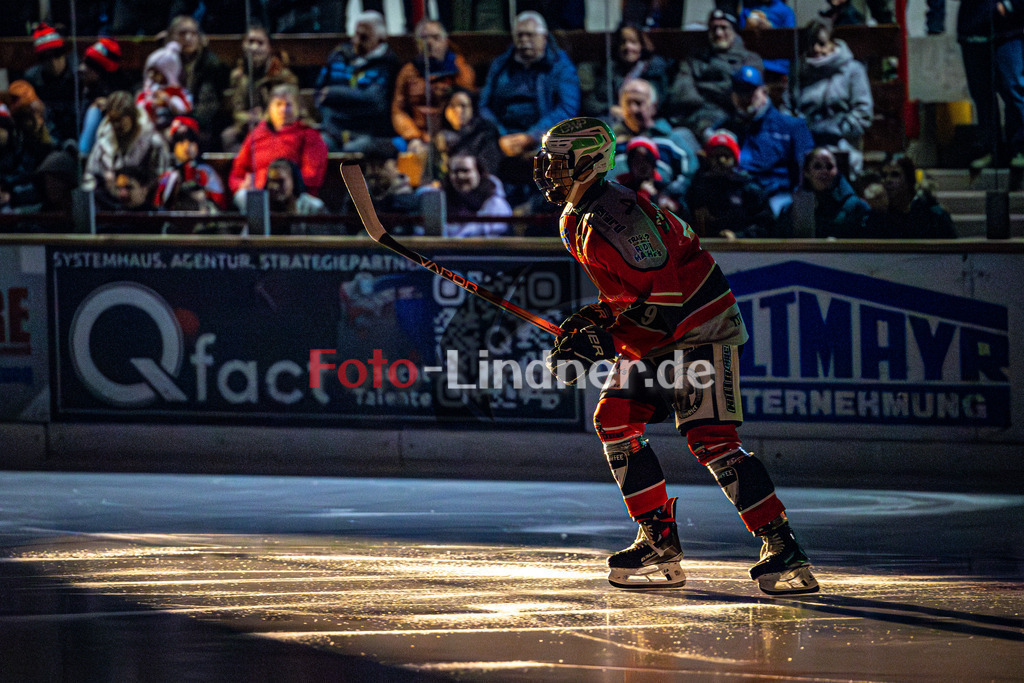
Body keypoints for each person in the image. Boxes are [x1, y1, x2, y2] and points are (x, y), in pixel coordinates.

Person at [535, 116, 818, 595]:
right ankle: (658, 540)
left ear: (587, 163)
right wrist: (592, 322)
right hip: (658, 332)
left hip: (700, 328)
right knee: (615, 420)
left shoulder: (621, 217)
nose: (549, 173)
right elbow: (632, 295)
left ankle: (783, 544)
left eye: (559, 163)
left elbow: (667, 302)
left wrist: (601, 345)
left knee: (711, 438)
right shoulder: (573, 218)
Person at [478, 11, 581, 172]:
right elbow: (484, 105)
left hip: (543, 135)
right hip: (502, 136)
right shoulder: (500, 65)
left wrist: (531, 136)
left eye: (530, 35)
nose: (524, 41)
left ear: (544, 37)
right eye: (520, 35)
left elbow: (567, 108)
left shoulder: (560, 66)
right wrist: (500, 134)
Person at [718, 65, 815, 217]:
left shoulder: (792, 127)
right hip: (737, 199)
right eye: (740, 92)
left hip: (777, 199)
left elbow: (805, 177)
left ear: (763, 91)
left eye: (751, 92)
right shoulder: (725, 129)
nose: (746, 98)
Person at [789, 21, 873, 176]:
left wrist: (837, 129)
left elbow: (863, 112)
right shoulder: (799, 71)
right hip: (808, 145)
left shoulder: (852, 71)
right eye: (811, 44)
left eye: (821, 44)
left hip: (842, 143)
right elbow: (789, 107)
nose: (816, 49)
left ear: (833, 44)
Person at [666, 9, 764, 140]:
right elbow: (681, 92)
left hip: (736, 120)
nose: (718, 33)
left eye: (724, 28)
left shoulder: (750, 59)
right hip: (698, 118)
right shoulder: (693, 60)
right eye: (714, 28)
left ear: (734, 31)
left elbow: (746, 92)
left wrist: (706, 89)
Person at [229, 83, 329, 211]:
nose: (283, 109)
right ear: (270, 108)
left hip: (295, 196)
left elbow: (313, 176)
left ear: (297, 107)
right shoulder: (256, 135)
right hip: (260, 195)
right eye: (278, 104)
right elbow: (238, 171)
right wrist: (241, 185)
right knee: (244, 197)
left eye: (288, 105)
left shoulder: (309, 135)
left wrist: (284, 184)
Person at [315, 10, 401, 156]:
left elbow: (376, 103)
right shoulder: (338, 56)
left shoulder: (388, 64)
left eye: (364, 37)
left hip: (369, 134)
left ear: (380, 38)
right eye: (355, 34)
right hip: (334, 130)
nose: (356, 41)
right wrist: (355, 99)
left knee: (353, 152)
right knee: (318, 146)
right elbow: (319, 95)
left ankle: (353, 180)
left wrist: (334, 94)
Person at [957, 0, 1024, 168]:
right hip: (973, 24)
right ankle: (991, 147)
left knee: (1013, 88)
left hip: (1009, 27)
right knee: (982, 93)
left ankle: (1019, 147)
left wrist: (1010, 5)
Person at [392, 19, 475, 153]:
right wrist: (413, 137)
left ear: (445, 41)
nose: (429, 43)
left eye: (436, 38)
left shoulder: (460, 69)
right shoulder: (408, 72)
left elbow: (468, 107)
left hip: (450, 135)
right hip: (416, 137)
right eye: (424, 38)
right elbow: (398, 111)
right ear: (417, 43)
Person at [612, 79, 699, 205]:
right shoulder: (611, 142)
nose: (633, 109)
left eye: (638, 102)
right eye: (627, 103)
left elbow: (690, 175)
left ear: (653, 106)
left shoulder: (673, 139)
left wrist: (667, 196)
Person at [82, 90, 170, 209]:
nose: (116, 125)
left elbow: (162, 178)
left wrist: (143, 189)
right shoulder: (102, 144)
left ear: (132, 116)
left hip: (146, 207)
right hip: (110, 205)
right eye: (112, 120)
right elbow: (89, 177)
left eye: (120, 119)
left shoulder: (153, 143)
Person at [222, 24, 300, 153]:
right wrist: (249, 118)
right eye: (250, 42)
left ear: (269, 47)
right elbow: (237, 111)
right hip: (248, 126)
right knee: (228, 136)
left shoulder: (282, 75)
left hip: (276, 126)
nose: (254, 48)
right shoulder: (239, 76)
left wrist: (264, 118)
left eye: (260, 43)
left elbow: (290, 109)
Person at [682, 130, 774, 238]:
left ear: (735, 160)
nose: (721, 161)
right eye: (716, 156)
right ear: (708, 160)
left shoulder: (749, 189)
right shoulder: (696, 189)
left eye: (726, 156)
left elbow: (765, 225)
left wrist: (737, 236)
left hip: (743, 249)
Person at [578, 23, 672, 119]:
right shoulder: (609, 70)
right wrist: (610, 109)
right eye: (623, 42)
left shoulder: (654, 69)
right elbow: (591, 104)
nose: (628, 47)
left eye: (633, 42)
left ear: (642, 45)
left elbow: (656, 104)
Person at [166, 15, 232, 153]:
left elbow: (208, 107)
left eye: (193, 33)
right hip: (171, 122)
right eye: (182, 33)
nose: (188, 38)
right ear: (171, 38)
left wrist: (186, 123)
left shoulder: (211, 66)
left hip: (202, 126)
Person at [778, 147, 870, 238]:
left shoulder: (856, 207)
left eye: (829, 166)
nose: (824, 171)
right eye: (817, 166)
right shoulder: (792, 211)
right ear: (806, 172)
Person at [875, 153, 956, 238]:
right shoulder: (880, 216)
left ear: (909, 180)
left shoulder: (934, 215)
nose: (888, 180)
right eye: (884, 175)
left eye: (895, 175)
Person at [156, 116, 227, 210]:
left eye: (190, 139)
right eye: (180, 140)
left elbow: (219, 202)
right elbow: (159, 204)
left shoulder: (205, 172)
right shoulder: (168, 175)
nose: (186, 146)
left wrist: (204, 195)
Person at [78, 38, 133, 157]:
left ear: (100, 72)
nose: (81, 69)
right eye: (84, 62)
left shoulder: (121, 90)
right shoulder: (80, 85)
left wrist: (109, 106)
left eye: (89, 65)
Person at [23, 23, 77, 144]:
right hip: (47, 137)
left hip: (75, 134)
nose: (52, 61)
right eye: (45, 57)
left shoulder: (77, 75)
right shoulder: (32, 79)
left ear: (64, 53)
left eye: (57, 54)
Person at [434, 88, 503, 181]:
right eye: (453, 105)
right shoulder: (441, 135)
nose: (458, 110)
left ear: (473, 108)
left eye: (463, 105)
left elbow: (489, 170)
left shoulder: (486, 132)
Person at [439, 153, 512, 237]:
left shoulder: (495, 202)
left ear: (479, 173)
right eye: (455, 172)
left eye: (465, 171)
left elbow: (492, 231)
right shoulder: (441, 200)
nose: (460, 176)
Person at [136, 41, 193, 135]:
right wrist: (148, 103)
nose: (151, 76)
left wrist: (169, 100)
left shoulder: (175, 91)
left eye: (156, 73)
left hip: (170, 128)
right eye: (150, 72)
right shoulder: (148, 91)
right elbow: (139, 107)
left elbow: (186, 108)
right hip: (149, 128)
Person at [264, 158, 331, 235]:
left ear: (294, 181)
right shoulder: (264, 207)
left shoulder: (314, 208)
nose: (274, 187)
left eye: (280, 181)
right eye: (271, 181)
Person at [738, 0, 796, 84]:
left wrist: (771, 29)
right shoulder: (747, 10)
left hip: (777, 66)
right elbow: (741, 38)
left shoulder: (785, 11)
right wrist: (748, 28)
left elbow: (790, 40)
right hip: (753, 65)